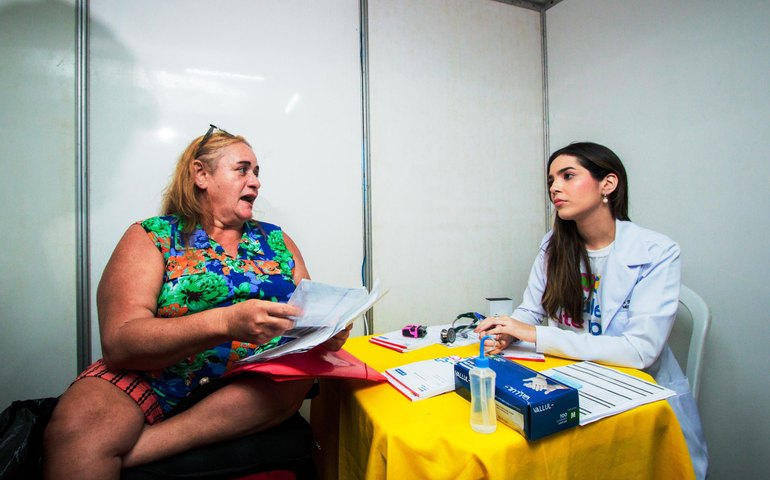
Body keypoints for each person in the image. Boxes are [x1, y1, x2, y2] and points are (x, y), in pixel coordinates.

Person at [43, 125, 352, 479]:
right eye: (242, 170)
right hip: (155, 375)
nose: (255, 182)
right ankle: (109, 448)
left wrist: (328, 330)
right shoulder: (152, 236)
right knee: (80, 426)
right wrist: (225, 323)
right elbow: (120, 342)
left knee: (295, 376)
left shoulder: (278, 242)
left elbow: (307, 313)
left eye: (256, 172)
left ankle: (140, 450)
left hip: (253, 384)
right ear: (201, 174)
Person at [475, 142, 708, 479]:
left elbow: (639, 351)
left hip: (636, 393)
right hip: (569, 380)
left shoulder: (657, 251)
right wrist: (508, 333)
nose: (555, 188)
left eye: (568, 176)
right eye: (551, 180)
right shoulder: (553, 246)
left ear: (607, 184)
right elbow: (531, 312)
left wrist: (533, 334)